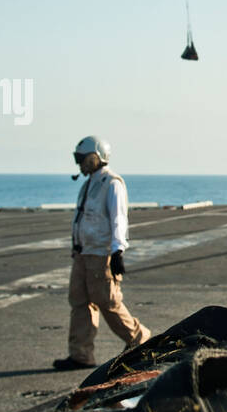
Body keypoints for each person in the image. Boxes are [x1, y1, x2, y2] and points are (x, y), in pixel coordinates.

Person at [53, 136, 152, 370]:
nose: (79, 164)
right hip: (83, 253)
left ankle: (141, 340)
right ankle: (80, 354)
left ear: (96, 157)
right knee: (79, 302)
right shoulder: (88, 184)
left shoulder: (112, 183)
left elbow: (119, 218)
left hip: (101, 254)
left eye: (82, 159)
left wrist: (118, 251)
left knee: (108, 302)